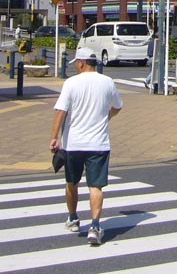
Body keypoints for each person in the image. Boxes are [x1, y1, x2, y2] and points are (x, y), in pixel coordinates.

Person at [50, 47, 123, 246]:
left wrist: (54, 137)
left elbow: (60, 111)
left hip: (74, 143)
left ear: (81, 63)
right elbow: (117, 106)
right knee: (95, 186)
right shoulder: (107, 82)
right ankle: (95, 225)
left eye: (76, 63)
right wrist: (107, 117)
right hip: (99, 143)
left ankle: (73, 218)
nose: (75, 66)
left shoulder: (71, 83)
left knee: (71, 182)